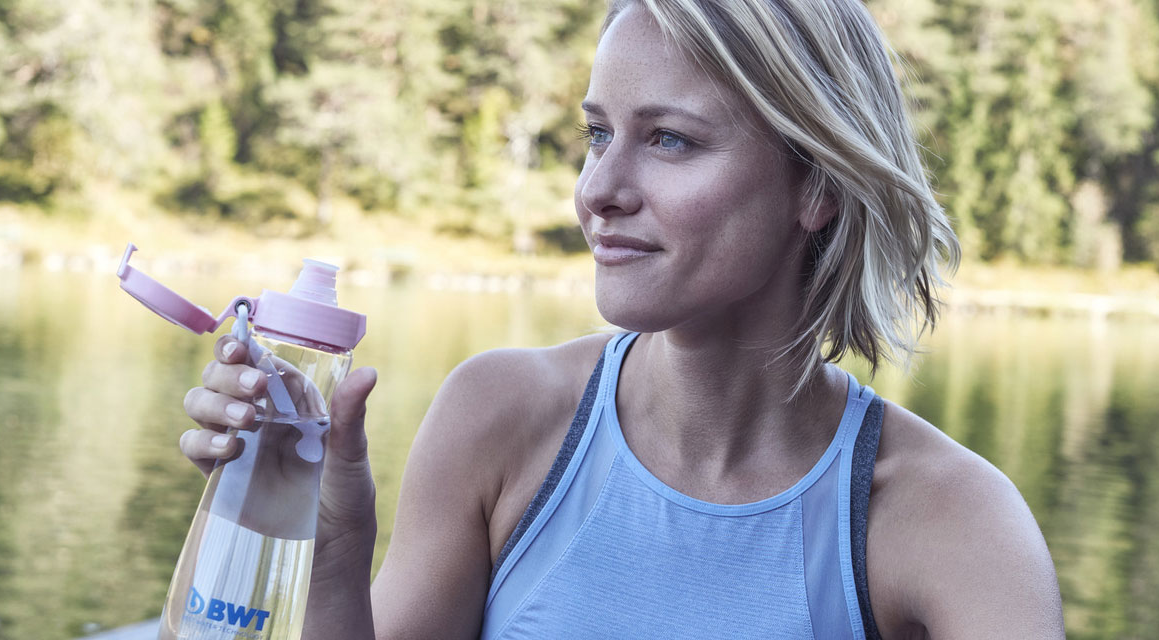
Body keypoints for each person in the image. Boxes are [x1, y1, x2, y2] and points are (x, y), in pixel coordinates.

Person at [181, 0, 1066, 637]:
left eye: (670, 139)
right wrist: (333, 545)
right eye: (599, 133)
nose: (598, 192)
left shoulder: (955, 524)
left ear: (818, 187)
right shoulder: (501, 415)